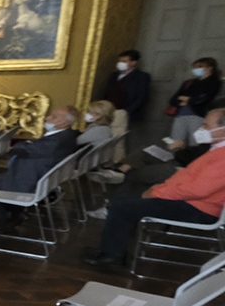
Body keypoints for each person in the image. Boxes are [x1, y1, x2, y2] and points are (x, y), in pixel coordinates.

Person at [83, 109, 225, 269]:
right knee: (122, 199)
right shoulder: (216, 149)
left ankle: (112, 256)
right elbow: (186, 178)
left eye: (206, 125)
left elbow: (198, 190)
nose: (202, 128)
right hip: (191, 201)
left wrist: (157, 192)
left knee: (123, 206)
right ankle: (108, 249)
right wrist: (160, 189)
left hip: (199, 209)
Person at [0, 105, 80, 228]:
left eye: (53, 117)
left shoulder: (57, 141)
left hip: (30, 180)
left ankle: (1, 221)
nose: (47, 118)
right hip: (41, 178)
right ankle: (17, 213)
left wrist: (24, 144)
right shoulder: (67, 136)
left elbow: (20, 149)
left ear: (64, 123)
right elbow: (30, 147)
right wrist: (26, 145)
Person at [167, 57, 222, 144]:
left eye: (200, 66)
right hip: (180, 114)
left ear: (210, 67)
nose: (197, 69)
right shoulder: (189, 82)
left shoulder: (214, 82)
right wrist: (189, 99)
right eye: (195, 67)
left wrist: (187, 99)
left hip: (198, 115)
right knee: (174, 141)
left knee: (195, 142)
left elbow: (205, 98)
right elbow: (174, 98)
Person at [100, 49, 151, 125]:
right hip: (109, 112)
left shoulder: (141, 77)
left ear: (133, 62)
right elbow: (107, 92)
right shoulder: (114, 76)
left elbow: (142, 97)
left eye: (124, 61)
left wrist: (127, 111)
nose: (120, 63)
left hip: (127, 113)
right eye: (119, 61)